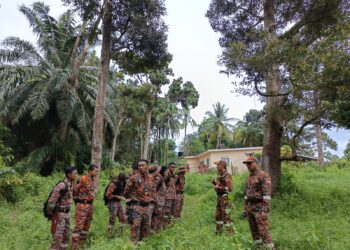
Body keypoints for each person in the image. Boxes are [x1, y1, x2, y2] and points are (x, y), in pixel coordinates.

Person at [242, 156, 274, 249]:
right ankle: (259, 247)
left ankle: (270, 248)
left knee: (263, 231)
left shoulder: (263, 175)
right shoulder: (250, 177)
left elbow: (267, 195)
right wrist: (245, 208)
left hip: (259, 207)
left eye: (250, 163)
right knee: (254, 230)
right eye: (246, 164)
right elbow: (246, 194)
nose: (248, 166)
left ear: (256, 163)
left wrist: (264, 210)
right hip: (250, 207)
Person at [124, 159, 155, 243]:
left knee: (145, 229)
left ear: (147, 166)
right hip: (137, 207)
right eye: (139, 166)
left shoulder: (151, 178)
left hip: (147, 208)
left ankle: (142, 245)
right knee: (135, 228)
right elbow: (126, 193)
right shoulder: (133, 178)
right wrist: (134, 199)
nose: (141, 167)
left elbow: (153, 191)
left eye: (143, 165)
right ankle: (132, 246)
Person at [48, 166, 78, 250]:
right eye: (75, 173)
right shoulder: (62, 185)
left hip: (67, 214)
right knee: (57, 238)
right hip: (59, 214)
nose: (76, 175)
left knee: (66, 237)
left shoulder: (71, 184)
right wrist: (53, 215)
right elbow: (51, 202)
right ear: (69, 174)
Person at [71, 164, 98, 249]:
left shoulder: (93, 180)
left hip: (90, 205)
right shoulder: (83, 179)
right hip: (82, 205)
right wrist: (78, 202)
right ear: (90, 171)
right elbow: (75, 191)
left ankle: (81, 245)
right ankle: (74, 246)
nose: (97, 173)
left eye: (97, 171)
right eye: (95, 171)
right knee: (78, 226)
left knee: (86, 226)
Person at [212, 160, 233, 235]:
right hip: (219, 197)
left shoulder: (227, 175)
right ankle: (218, 232)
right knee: (218, 216)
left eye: (218, 165)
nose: (216, 166)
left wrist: (218, 187)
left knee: (226, 216)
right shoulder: (220, 175)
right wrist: (215, 183)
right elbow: (219, 185)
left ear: (222, 166)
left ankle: (230, 234)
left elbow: (229, 188)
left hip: (225, 198)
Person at [149, 165, 165, 231]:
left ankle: (153, 229)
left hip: (153, 199)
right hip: (152, 199)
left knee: (154, 215)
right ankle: (152, 229)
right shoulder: (157, 177)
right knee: (152, 215)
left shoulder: (156, 177)